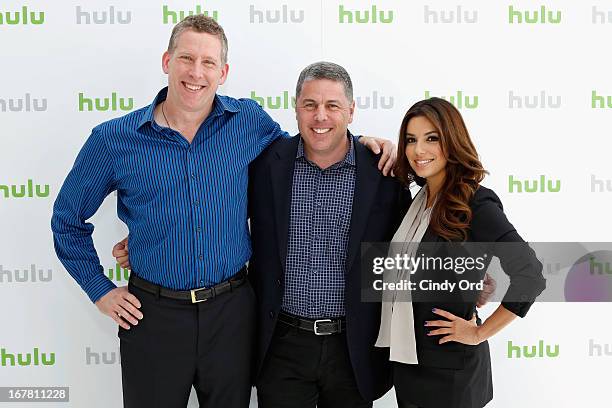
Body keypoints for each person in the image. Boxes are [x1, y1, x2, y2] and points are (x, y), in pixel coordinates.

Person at [51, 15, 394, 408]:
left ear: (223, 72)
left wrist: (364, 142)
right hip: (154, 317)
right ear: (167, 61)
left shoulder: (247, 122)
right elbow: (66, 221)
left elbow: (305, 151)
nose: (196, 72)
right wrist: (101, 291)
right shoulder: (114, 139)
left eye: (208, 62)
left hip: (232, 313)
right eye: (186, 58)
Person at [248, 62, 410, 408]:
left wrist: (465, 280)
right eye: (310, 105)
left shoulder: (384, 173)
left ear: (351, 111)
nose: (320, 116)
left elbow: (413, 246)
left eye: (332, 106)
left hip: (353, 347)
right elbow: (221, 221)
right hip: (282, 346)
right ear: (296, 109)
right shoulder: (265, 166)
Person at [376, 97, 546, 408]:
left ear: (452, 141)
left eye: (431, 138)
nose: (418, 150)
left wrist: (480, 332)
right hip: (410, 366)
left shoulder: (475, 203)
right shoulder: (419, 200)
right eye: (411, 140)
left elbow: (530, 275)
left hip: (451, 376)